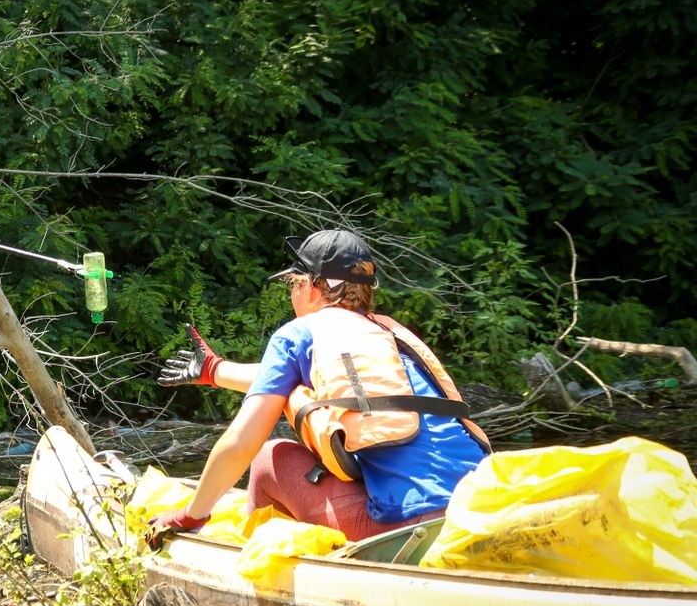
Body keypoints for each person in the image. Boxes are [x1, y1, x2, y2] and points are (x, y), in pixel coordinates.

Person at [150, 230, 490, 542]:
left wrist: (189, 515)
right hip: (476, 512)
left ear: (311, 287)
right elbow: (287, 382)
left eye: (292, 285)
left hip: (403, 528)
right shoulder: (390, 336)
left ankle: (257, 572)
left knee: (271, 457)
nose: (291, 296)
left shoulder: (300, 334)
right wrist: (215, 370)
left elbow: (240, 443)